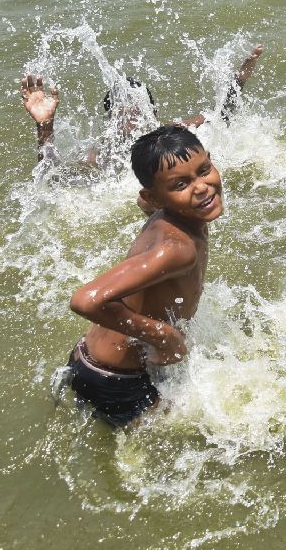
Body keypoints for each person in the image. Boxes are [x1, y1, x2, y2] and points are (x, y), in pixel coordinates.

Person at [61, 125, 224, 426]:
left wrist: (159, 202)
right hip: (116, 381)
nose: (201, 187)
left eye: (204, 170)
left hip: (91, 360)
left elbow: (145, 205)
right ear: (156, 196)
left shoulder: (167, 214)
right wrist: (166, 336)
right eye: (181, 185)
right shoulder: (178, 249)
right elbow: (84, 300)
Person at [20, 43, 264, 170]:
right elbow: (53, 176)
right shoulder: (101, 157)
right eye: (123, 107)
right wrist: (45, 127)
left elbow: (222, 119)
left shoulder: (173, 133)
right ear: (109, 119)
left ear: (153, 112)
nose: (132, 112)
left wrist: (238, 81)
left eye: (139, 106)